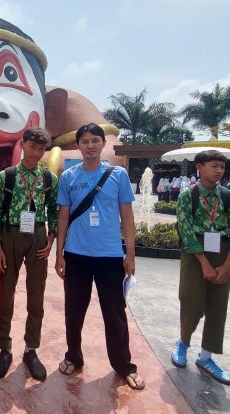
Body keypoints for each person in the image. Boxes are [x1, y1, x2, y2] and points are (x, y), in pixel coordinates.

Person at [54, 123, 144, 390]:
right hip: (76, 255)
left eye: (95, 140)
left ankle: (123, 365)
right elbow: (63, 216)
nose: (90, 146)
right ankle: (74, 356)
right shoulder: (68, 177)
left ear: (103, 143)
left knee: (115, 313)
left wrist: (130, 253)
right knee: (74, 311)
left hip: (110, 256)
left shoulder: (118, 175)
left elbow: (127, 216)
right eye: (85, 141)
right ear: (78, 145)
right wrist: (59, 254)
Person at [0, 128, 58, 381]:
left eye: (41, 149)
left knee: (36, 295)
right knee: (6, 294)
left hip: (38, 236)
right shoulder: (6, 177)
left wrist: (50, 240)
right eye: (33, 147)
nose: (37, 153)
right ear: (23, 144)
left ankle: (31, 349)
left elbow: (53, 210)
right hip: (10, 236)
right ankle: (4, 349)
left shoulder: (49, 178)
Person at [171, 150, 230, 385]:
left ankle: (206, 356)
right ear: (199, 168)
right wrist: (204, 263)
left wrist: (227, 265)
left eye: (222, 166)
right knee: (191, 300)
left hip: (222, 252)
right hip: (195, 254)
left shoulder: (228, 197)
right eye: (214, 166)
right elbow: (186, 230)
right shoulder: (187, 195)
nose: (219, 170)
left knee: (217, 306)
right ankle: (183, 342)